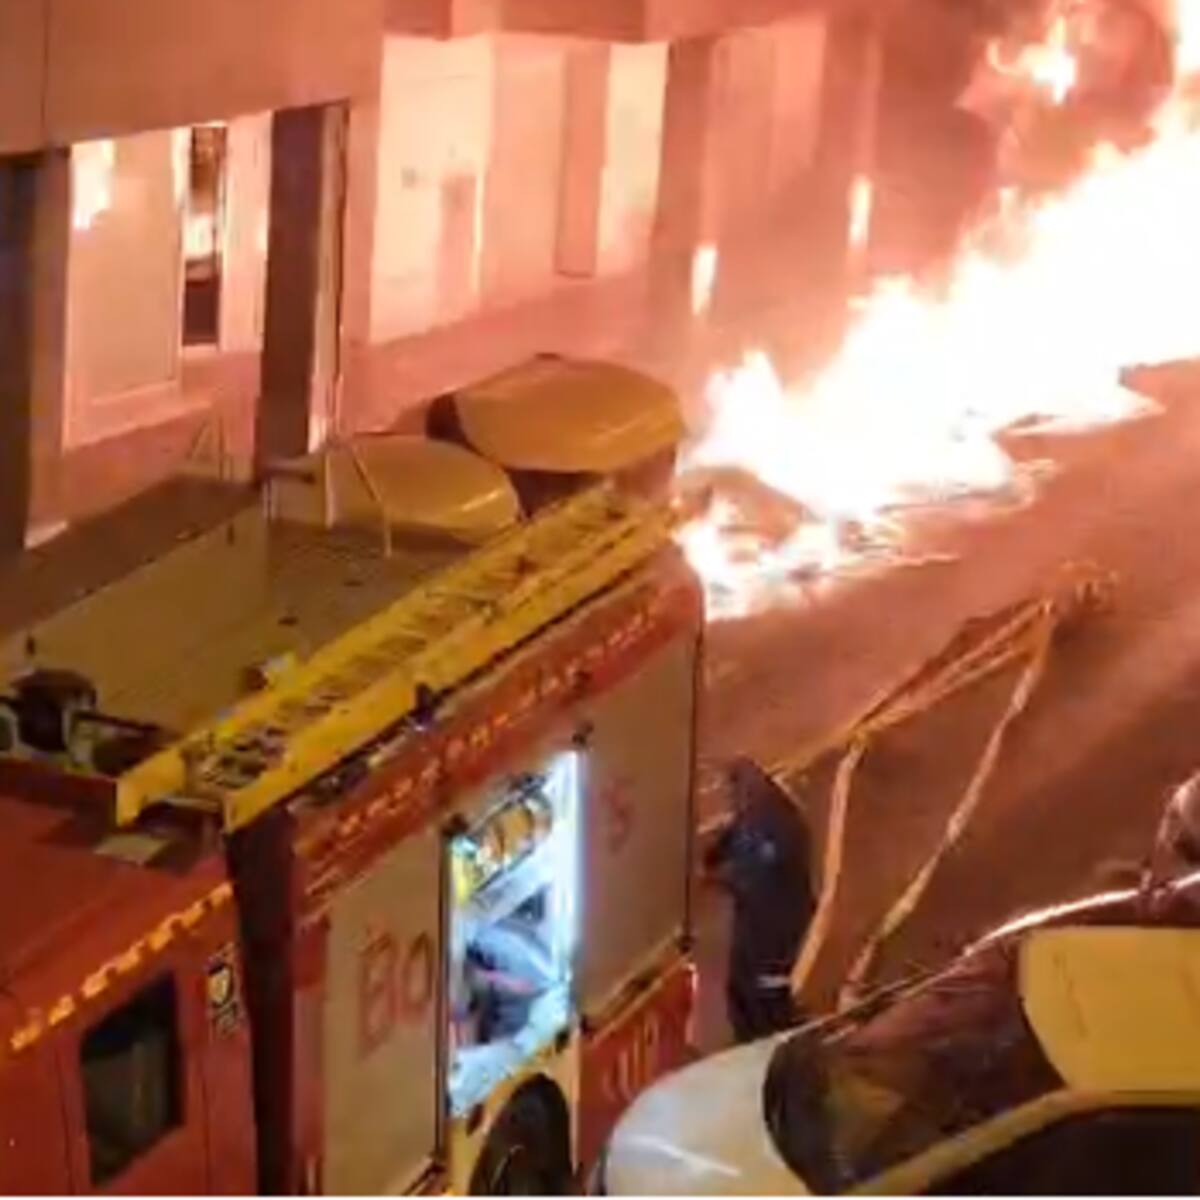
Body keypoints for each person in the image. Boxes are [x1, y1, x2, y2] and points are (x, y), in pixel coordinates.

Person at [704, 757, 816, 1043]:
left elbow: (756, 878)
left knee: (763, 986)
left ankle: (775, 1039)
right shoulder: (757, 810)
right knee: (743, 985)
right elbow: (732, 837)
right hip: (759, 920)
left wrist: (718, 879)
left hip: (775, 923)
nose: (732, 798)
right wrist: (710, 857)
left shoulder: (776, 828)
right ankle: (758, 1035)